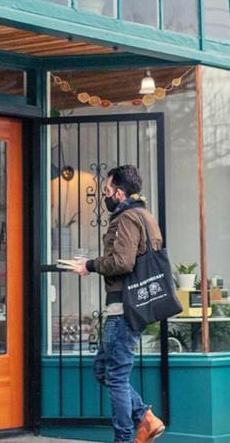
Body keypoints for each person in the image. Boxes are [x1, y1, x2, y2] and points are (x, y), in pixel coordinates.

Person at [71, 165, 166, 443]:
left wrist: (89, 264)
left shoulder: (125, 218)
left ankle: (125, 438)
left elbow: (122, 262)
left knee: (116, 377)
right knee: (104, 370)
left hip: (123, 308)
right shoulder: (145, 216)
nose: (105, 196)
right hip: (134, 306)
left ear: (119, 192)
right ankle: (146, 418)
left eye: (107, 190)